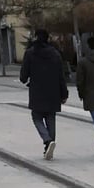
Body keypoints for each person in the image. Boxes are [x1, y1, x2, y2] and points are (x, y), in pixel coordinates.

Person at [20, 30, 69, 160]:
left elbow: (23, 77)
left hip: (37, 91)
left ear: (36, 37)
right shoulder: (55, 54)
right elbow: (61, 76)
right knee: (50, 118)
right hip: (53, 91)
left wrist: (27, 78)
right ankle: (49, 144)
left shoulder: (30, 53)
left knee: (36, 117)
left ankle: (47, 141)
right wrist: (64, 93)